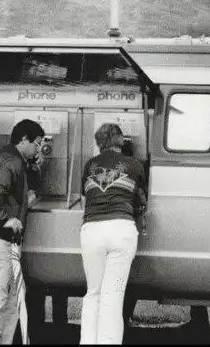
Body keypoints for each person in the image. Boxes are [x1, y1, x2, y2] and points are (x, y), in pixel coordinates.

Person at [0, 119, 44, 344]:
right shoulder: (12, 162)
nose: (38, 149)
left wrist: (34, 167)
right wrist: (7, 218)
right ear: (24, 139)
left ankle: (1, 341)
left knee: (12, 296)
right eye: (36, 143)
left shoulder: (11, 159)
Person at [79, 123, 146, 344]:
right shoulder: (134, 165)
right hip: (121, 228)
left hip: (92, 230)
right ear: (120, 140)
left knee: (93, 293)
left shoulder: (89, 165)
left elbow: (85, 197)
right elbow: (141, 199)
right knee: (113, 298)